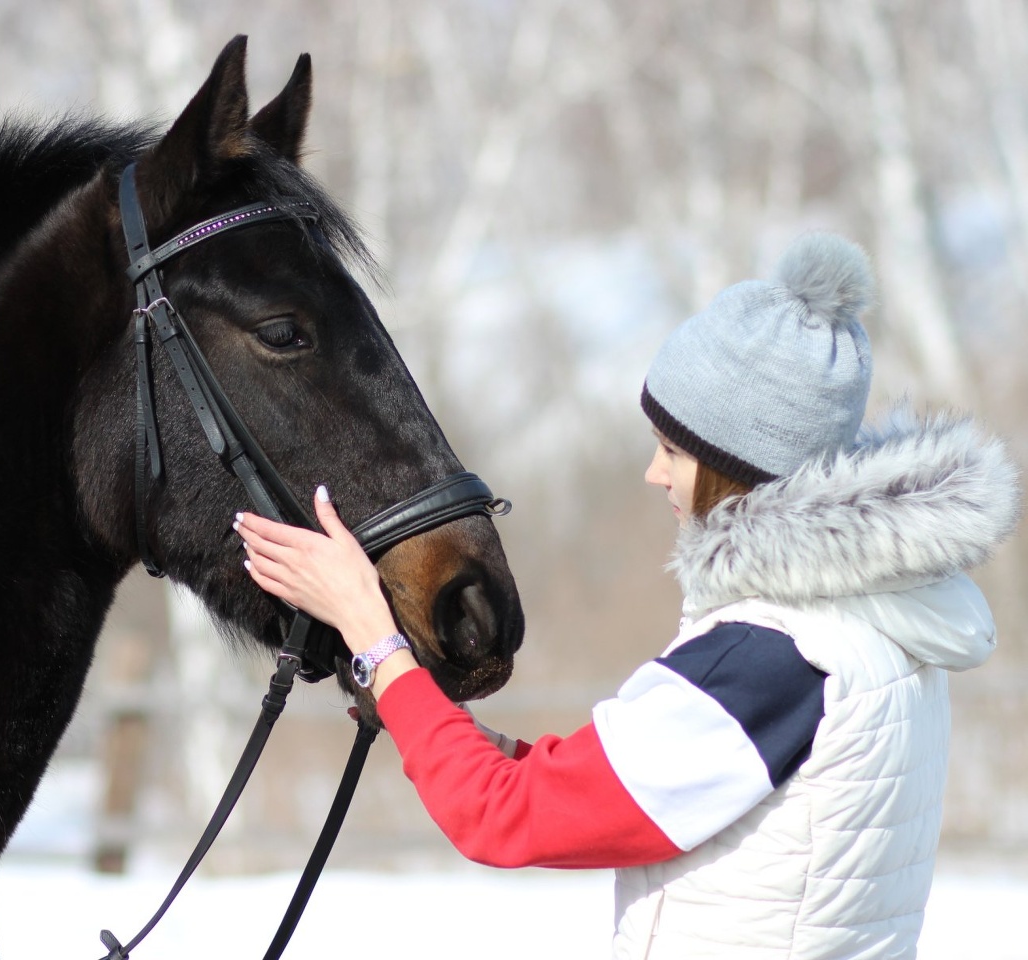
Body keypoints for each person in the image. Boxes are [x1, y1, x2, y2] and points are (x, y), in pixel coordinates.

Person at [233, 231, 1021, 959]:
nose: (654, 474)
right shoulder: (874, 629)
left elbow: (504, 817)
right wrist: (432, 720)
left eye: (673, 449)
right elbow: (613, 789)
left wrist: (374, 635)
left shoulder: (771, 659)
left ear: (738, 464)